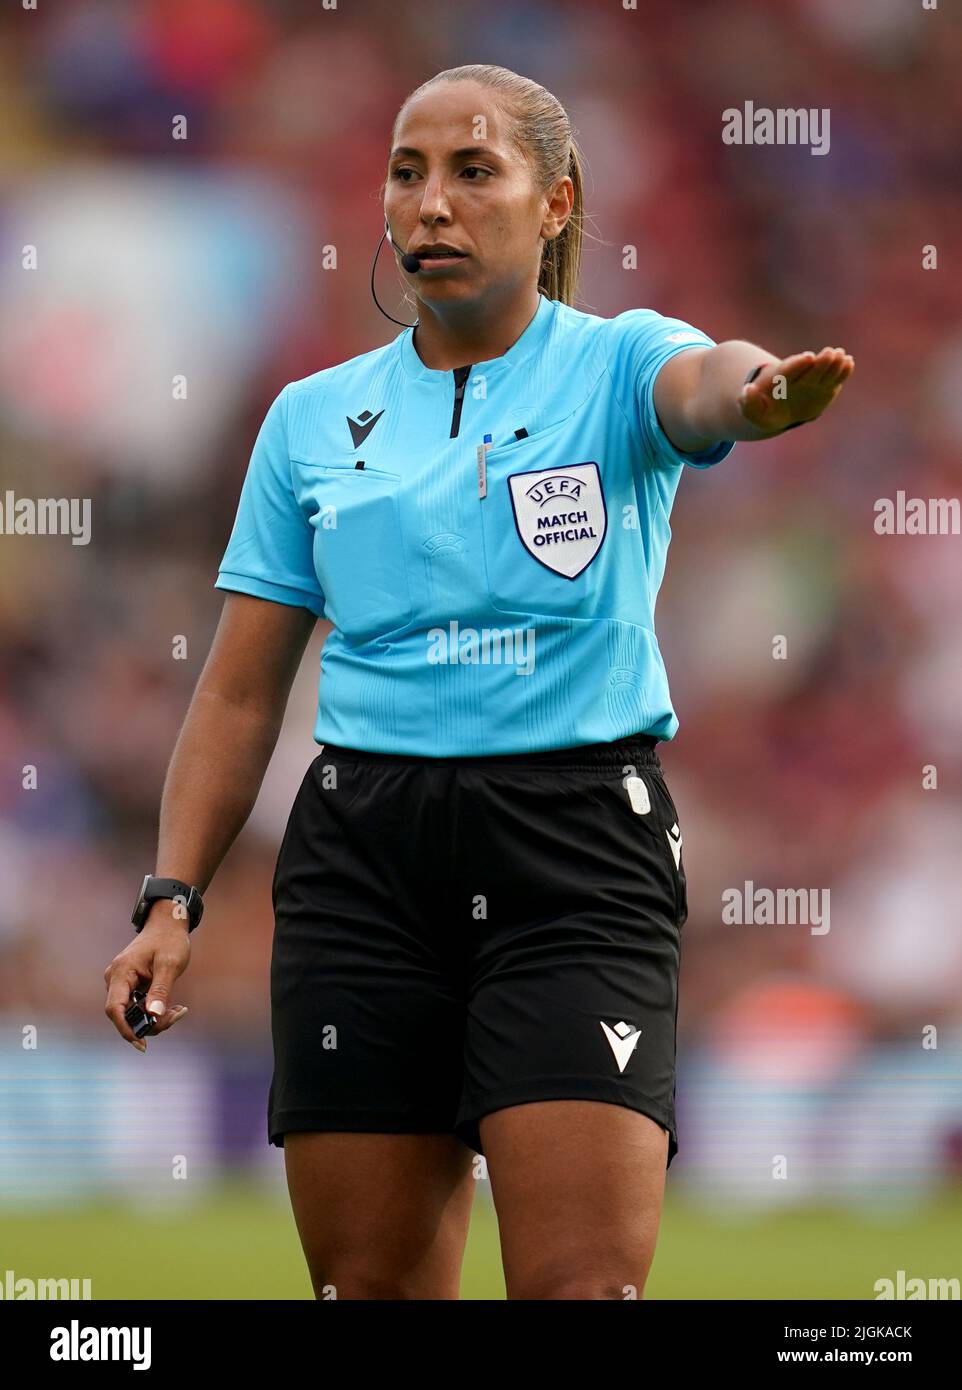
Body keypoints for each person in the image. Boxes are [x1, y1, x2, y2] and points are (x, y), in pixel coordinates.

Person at [103, 64, 853, 1300]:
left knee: (581, 1288)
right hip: (363, 857)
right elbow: (238, 693)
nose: (430, 205)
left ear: (554, 203)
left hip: (570, 855)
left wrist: (760, 395)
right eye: (407, 173)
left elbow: (708, 380)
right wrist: (174, 897)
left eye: (471, 171)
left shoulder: (615, 366)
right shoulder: (307, 419)